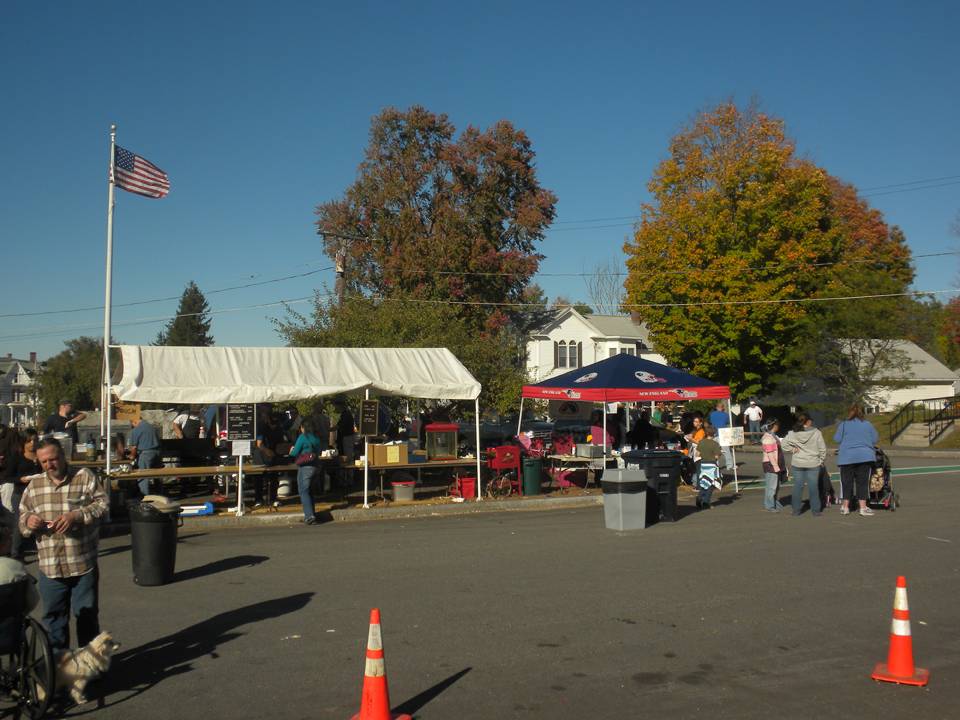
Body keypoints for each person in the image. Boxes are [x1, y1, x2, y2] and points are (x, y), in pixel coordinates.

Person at [17, 438, 108, 653]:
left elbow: (103, 506)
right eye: (44, 461)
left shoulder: (84, 477)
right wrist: (28, 520)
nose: (50, 464)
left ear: (63, 456)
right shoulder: (34, 485)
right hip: (50, 567)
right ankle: (61, 670)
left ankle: (90, 667)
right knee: (54, 620)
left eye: (54, 458)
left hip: (82, 563)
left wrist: (77, 515)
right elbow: (22, 517)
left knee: (86, 617)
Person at [834, 404, 879, 517]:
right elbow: (875, 439)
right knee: (862, 483)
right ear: (862, 413)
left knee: (846, 482)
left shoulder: (843, 425)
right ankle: (863, 508)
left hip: (846, 457)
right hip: (865, 456)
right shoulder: (867, 424)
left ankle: (845, 507)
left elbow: (837, 439)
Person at [3, 428, 40, 560]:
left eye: (35, 440)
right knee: (20, 523)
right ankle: (16, 553)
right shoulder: (17, 456)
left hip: (38, 494)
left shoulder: (41, 455)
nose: (32, 443)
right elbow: (7, 476)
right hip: (20, 493)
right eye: (29, 441)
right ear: (23, 442)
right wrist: (21, 479)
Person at [781, 413, 827, 517]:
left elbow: (783, 444)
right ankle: (816, 511)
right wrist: (821, 460)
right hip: (813, 463)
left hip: (798, 462)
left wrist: (792, 449)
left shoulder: (793, 433)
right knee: (813, 487)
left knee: (797, 487)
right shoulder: (816, 432)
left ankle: (796, 510)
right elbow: (822, 449)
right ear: (808, 421)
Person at [290, 420, 323, 525]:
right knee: (310, 491)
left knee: (303, 491)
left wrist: (291, 450)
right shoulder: (316, 438)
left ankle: (309, 516)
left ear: (303, 428)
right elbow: (319, 451)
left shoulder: (302, 437)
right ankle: (311, 513)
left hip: (305, 467)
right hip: (315, 466)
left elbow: (295, 453)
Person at [128, 416, 162, 497]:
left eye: (132, 424)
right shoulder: (151, 427)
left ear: (134, 422)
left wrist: (132, 456)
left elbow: (134, 447)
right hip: (157, 453)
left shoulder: (136, 430)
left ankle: (144, 496)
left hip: (145, 454)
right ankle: (160, 494)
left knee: (143, 476)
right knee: (158, 475)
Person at [695, 425, 722, 510]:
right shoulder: (715, 444)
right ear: (714, 434)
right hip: (711, 465)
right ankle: (706, 502)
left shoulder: (701, 442)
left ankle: (699, 497)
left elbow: (697, 454)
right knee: (711, 484)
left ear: (706, 433)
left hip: (703, 464)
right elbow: (717, 457)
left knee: (704, 482)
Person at [760, 420, 785, 512]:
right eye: (777, 425)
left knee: (776, 486)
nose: (778, 427)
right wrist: (775, 466)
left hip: (776, 463)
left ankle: (774, 503)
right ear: (774, 426)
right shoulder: (768, 438)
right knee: (772, 486)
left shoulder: (773, 436)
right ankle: (769, 506)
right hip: (771, 464)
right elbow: (770, 454)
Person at [708, 401, 734, 471]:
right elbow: (727, 422)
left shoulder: (712, 414)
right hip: (723, 434)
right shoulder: (725, 415)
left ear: (716, 408)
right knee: (726, 451)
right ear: (722, 408)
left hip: (714, 434)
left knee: (714, 452)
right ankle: (729, 465)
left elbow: (710, 422)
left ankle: (715, 465)